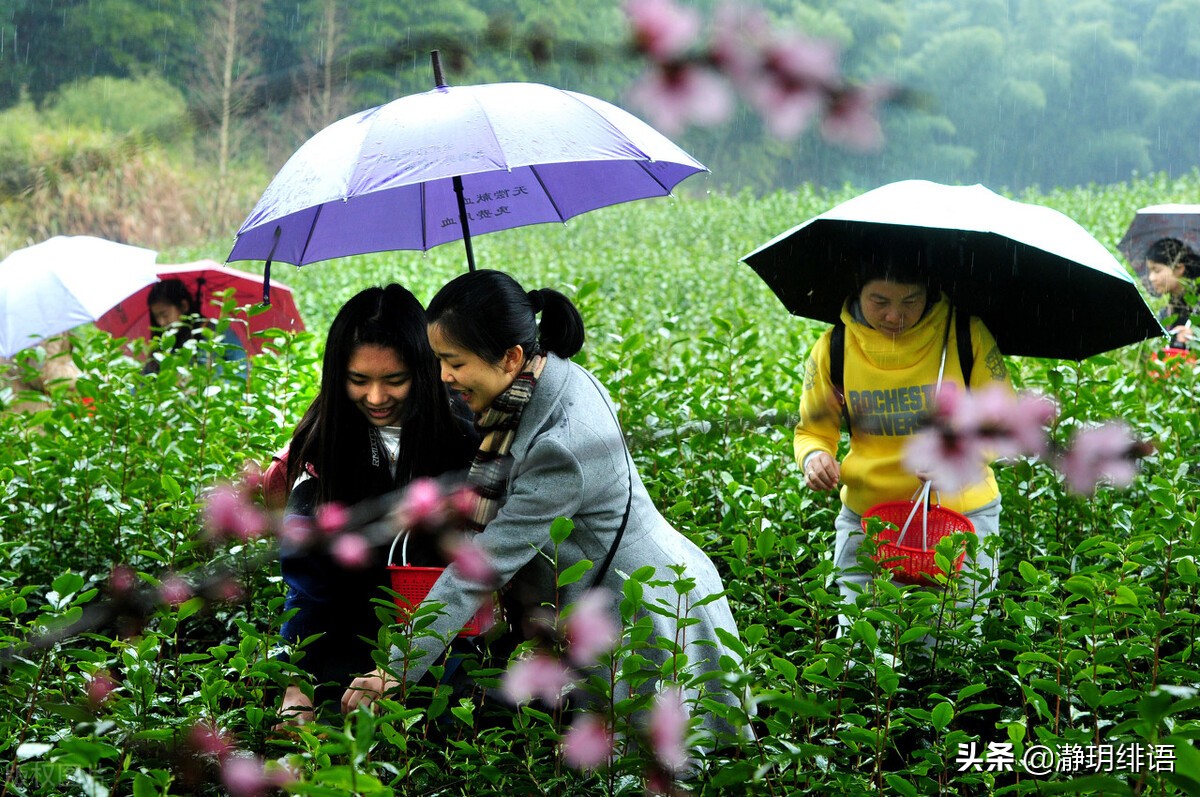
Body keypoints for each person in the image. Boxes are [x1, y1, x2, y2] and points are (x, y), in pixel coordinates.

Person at [340, 269, 746, 746]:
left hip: (644, 614)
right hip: (624, 595)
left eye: (454, 362)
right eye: (439, 360)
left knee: (662, 761)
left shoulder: (561, 448)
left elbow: (481, 567)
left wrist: (395, 667)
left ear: (510, 357)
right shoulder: (540, 381)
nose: (443, 376)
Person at [277, 284, 479, 724]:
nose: (375, 397)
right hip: (351, 645)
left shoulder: (465, 434)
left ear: (424, 370)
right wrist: (296, 681)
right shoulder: (324, 445)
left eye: (394, 380)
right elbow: (308, 582)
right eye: (358, 381)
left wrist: (402, 665)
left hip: (448, 643)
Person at [794, 249, 1012, 633]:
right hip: (869, 523)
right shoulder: (834, 347)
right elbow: (812, 430)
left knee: (950, 644)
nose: (895, 316)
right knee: (860, 645)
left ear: (930, 292)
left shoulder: (965, 335)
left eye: (910, 301)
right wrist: (814, 457)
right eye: (880, 302)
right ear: (857, 291)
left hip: (959, 519)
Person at [143, 278, 246, 375]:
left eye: (165, 315)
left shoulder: (217, 332)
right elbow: (146, 379)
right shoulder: (163, 346)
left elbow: (242, 368)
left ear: (184, 306)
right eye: (156, 317)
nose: (161, 322)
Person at [1144, 237, 1199, 350]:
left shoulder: (1196, 305)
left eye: (1157, 270)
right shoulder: (1165, 312)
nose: (1151, 278)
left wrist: (1196, 337)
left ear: (1179, 268)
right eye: (1149, 271)